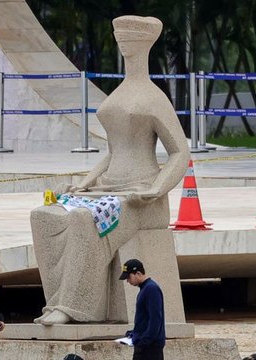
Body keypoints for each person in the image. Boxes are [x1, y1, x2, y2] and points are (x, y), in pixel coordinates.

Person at [30, 15, 189, 325]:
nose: (123, 43)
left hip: (139, 197)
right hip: (106, 190)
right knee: (44, 216)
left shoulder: (155, 98)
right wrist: (84, 183)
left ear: (144, 43)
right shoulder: (119, 94)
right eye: (120, 38)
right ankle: (56, 301)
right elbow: (112, 151)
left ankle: (75, 308)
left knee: (82, 219)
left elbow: (180, 152)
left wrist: (156, 189)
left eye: (129, 38)